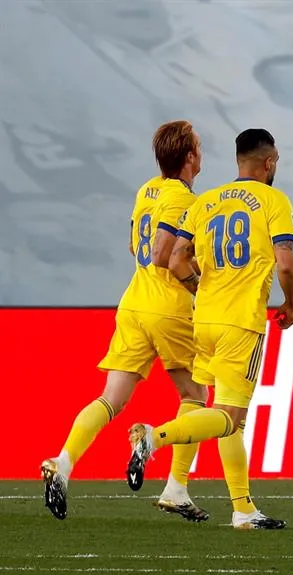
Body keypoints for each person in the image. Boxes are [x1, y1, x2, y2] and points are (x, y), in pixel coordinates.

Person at [125, 128, 293, 530]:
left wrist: (202, 287)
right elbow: (286, 264)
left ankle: (227, 504)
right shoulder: (274, 200)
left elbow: (176, 260)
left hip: (203, 319)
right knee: (229, 416)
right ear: (269, 162)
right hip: (241, 322)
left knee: (207, 407)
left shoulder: (206, 202)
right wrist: (289, 304)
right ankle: (154, 438)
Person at [41, 120, 209, 521]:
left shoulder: (147, 189)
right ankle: (176, 488)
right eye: (198, 147)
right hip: (168, 307)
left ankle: (63, 464)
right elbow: (162, 254)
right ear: (189, 157)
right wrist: (198, 285)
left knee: (110, 398)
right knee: (195, 397)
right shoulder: (184, 199)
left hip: (134, 303)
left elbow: (136, 245)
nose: (201, 153)